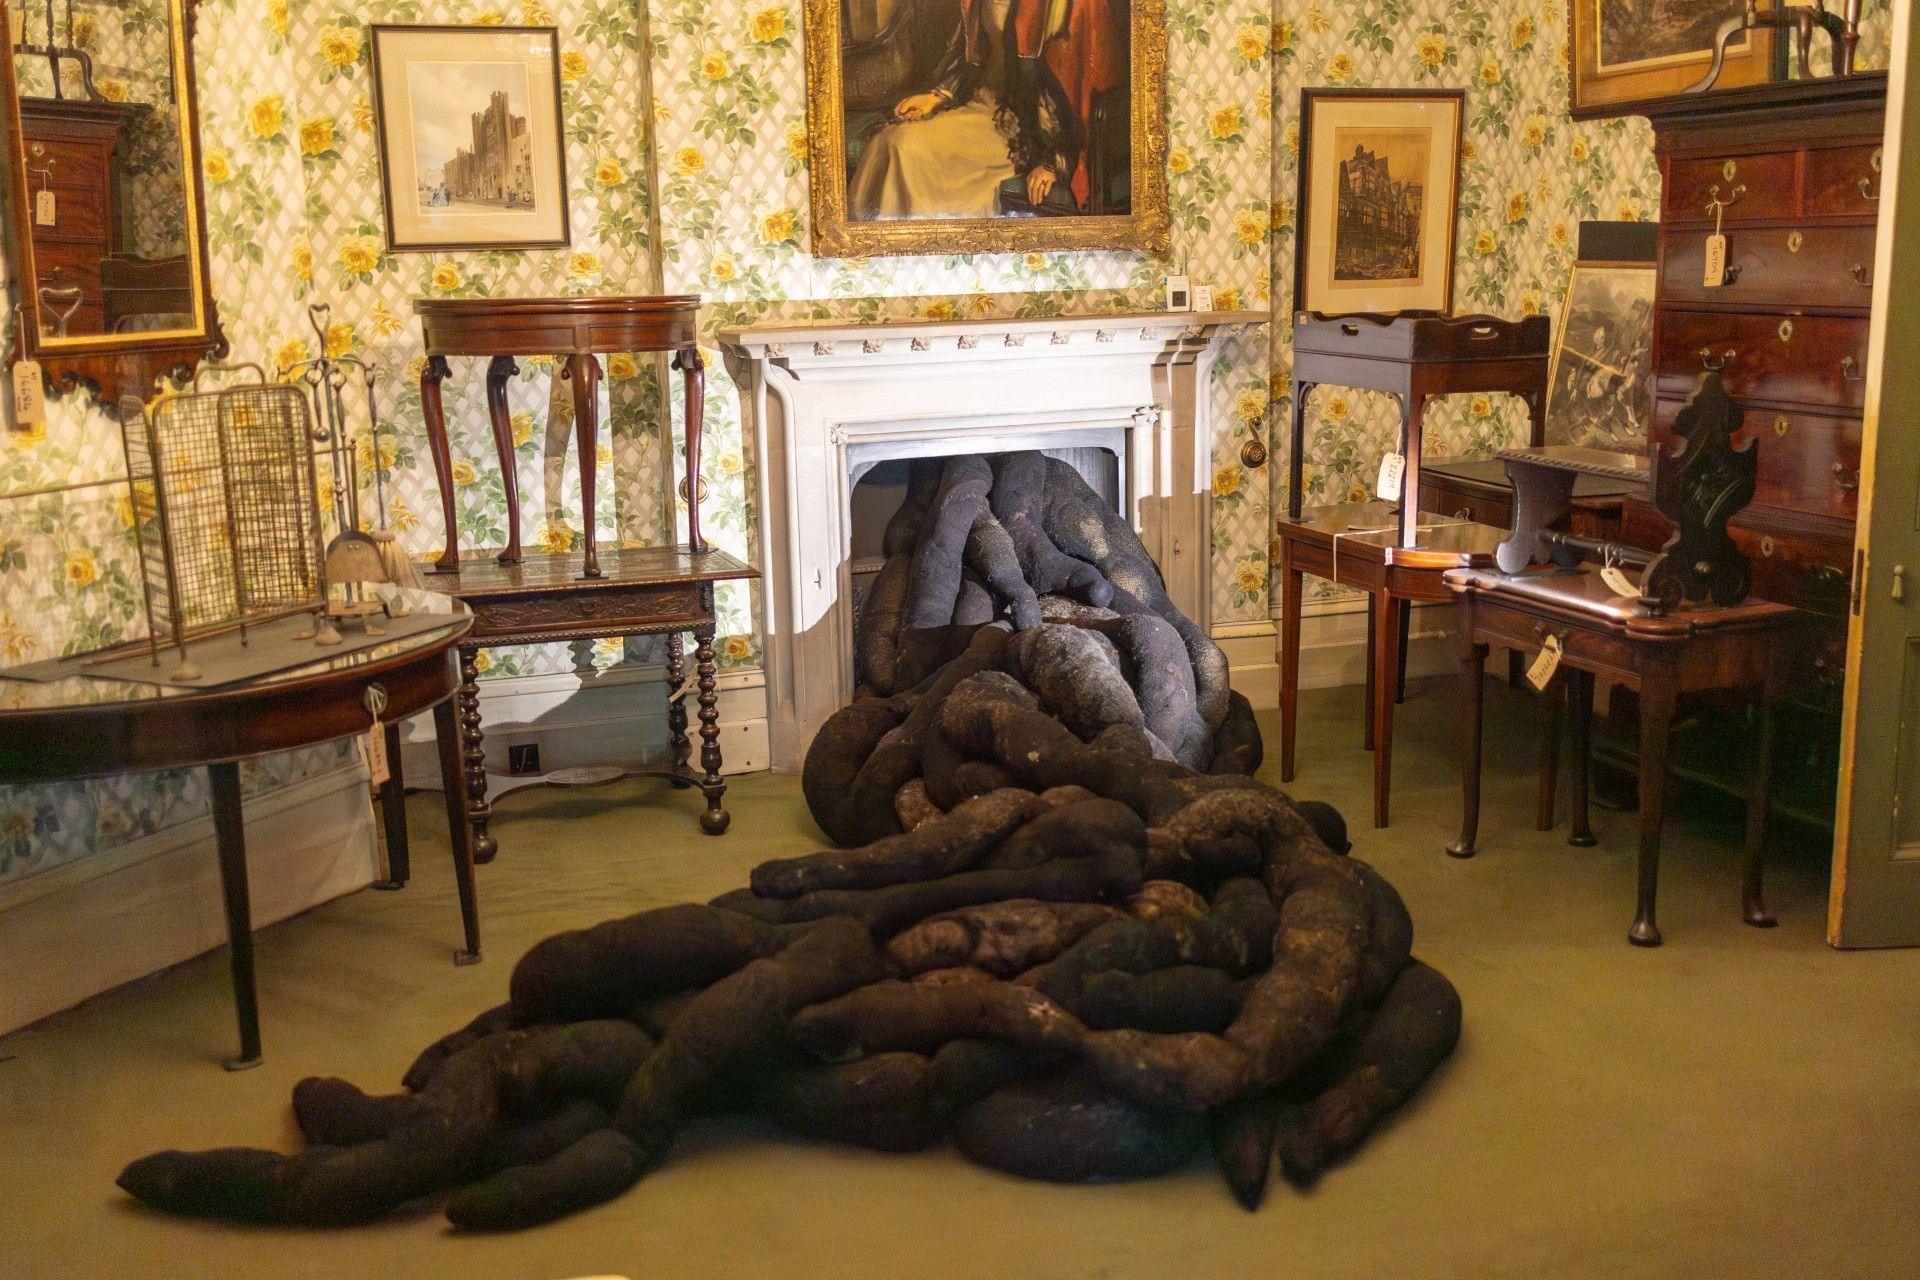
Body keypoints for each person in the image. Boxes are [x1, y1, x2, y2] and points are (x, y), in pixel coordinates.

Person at [850, 0, 1123, 220]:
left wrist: (1053, 163)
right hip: (978, 105)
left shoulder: (1072, 5)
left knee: (906, 148)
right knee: (887, 141)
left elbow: (1079, 97)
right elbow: (967, 57)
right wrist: (937, 95)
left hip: (1024, 129)